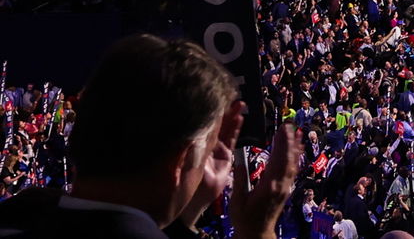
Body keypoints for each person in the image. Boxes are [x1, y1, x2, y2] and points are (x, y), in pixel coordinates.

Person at [0, 33, 301, 239]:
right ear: (179, 162)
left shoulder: (17, 216)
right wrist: (258, 232)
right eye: (208, 150)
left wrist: (187, 211)